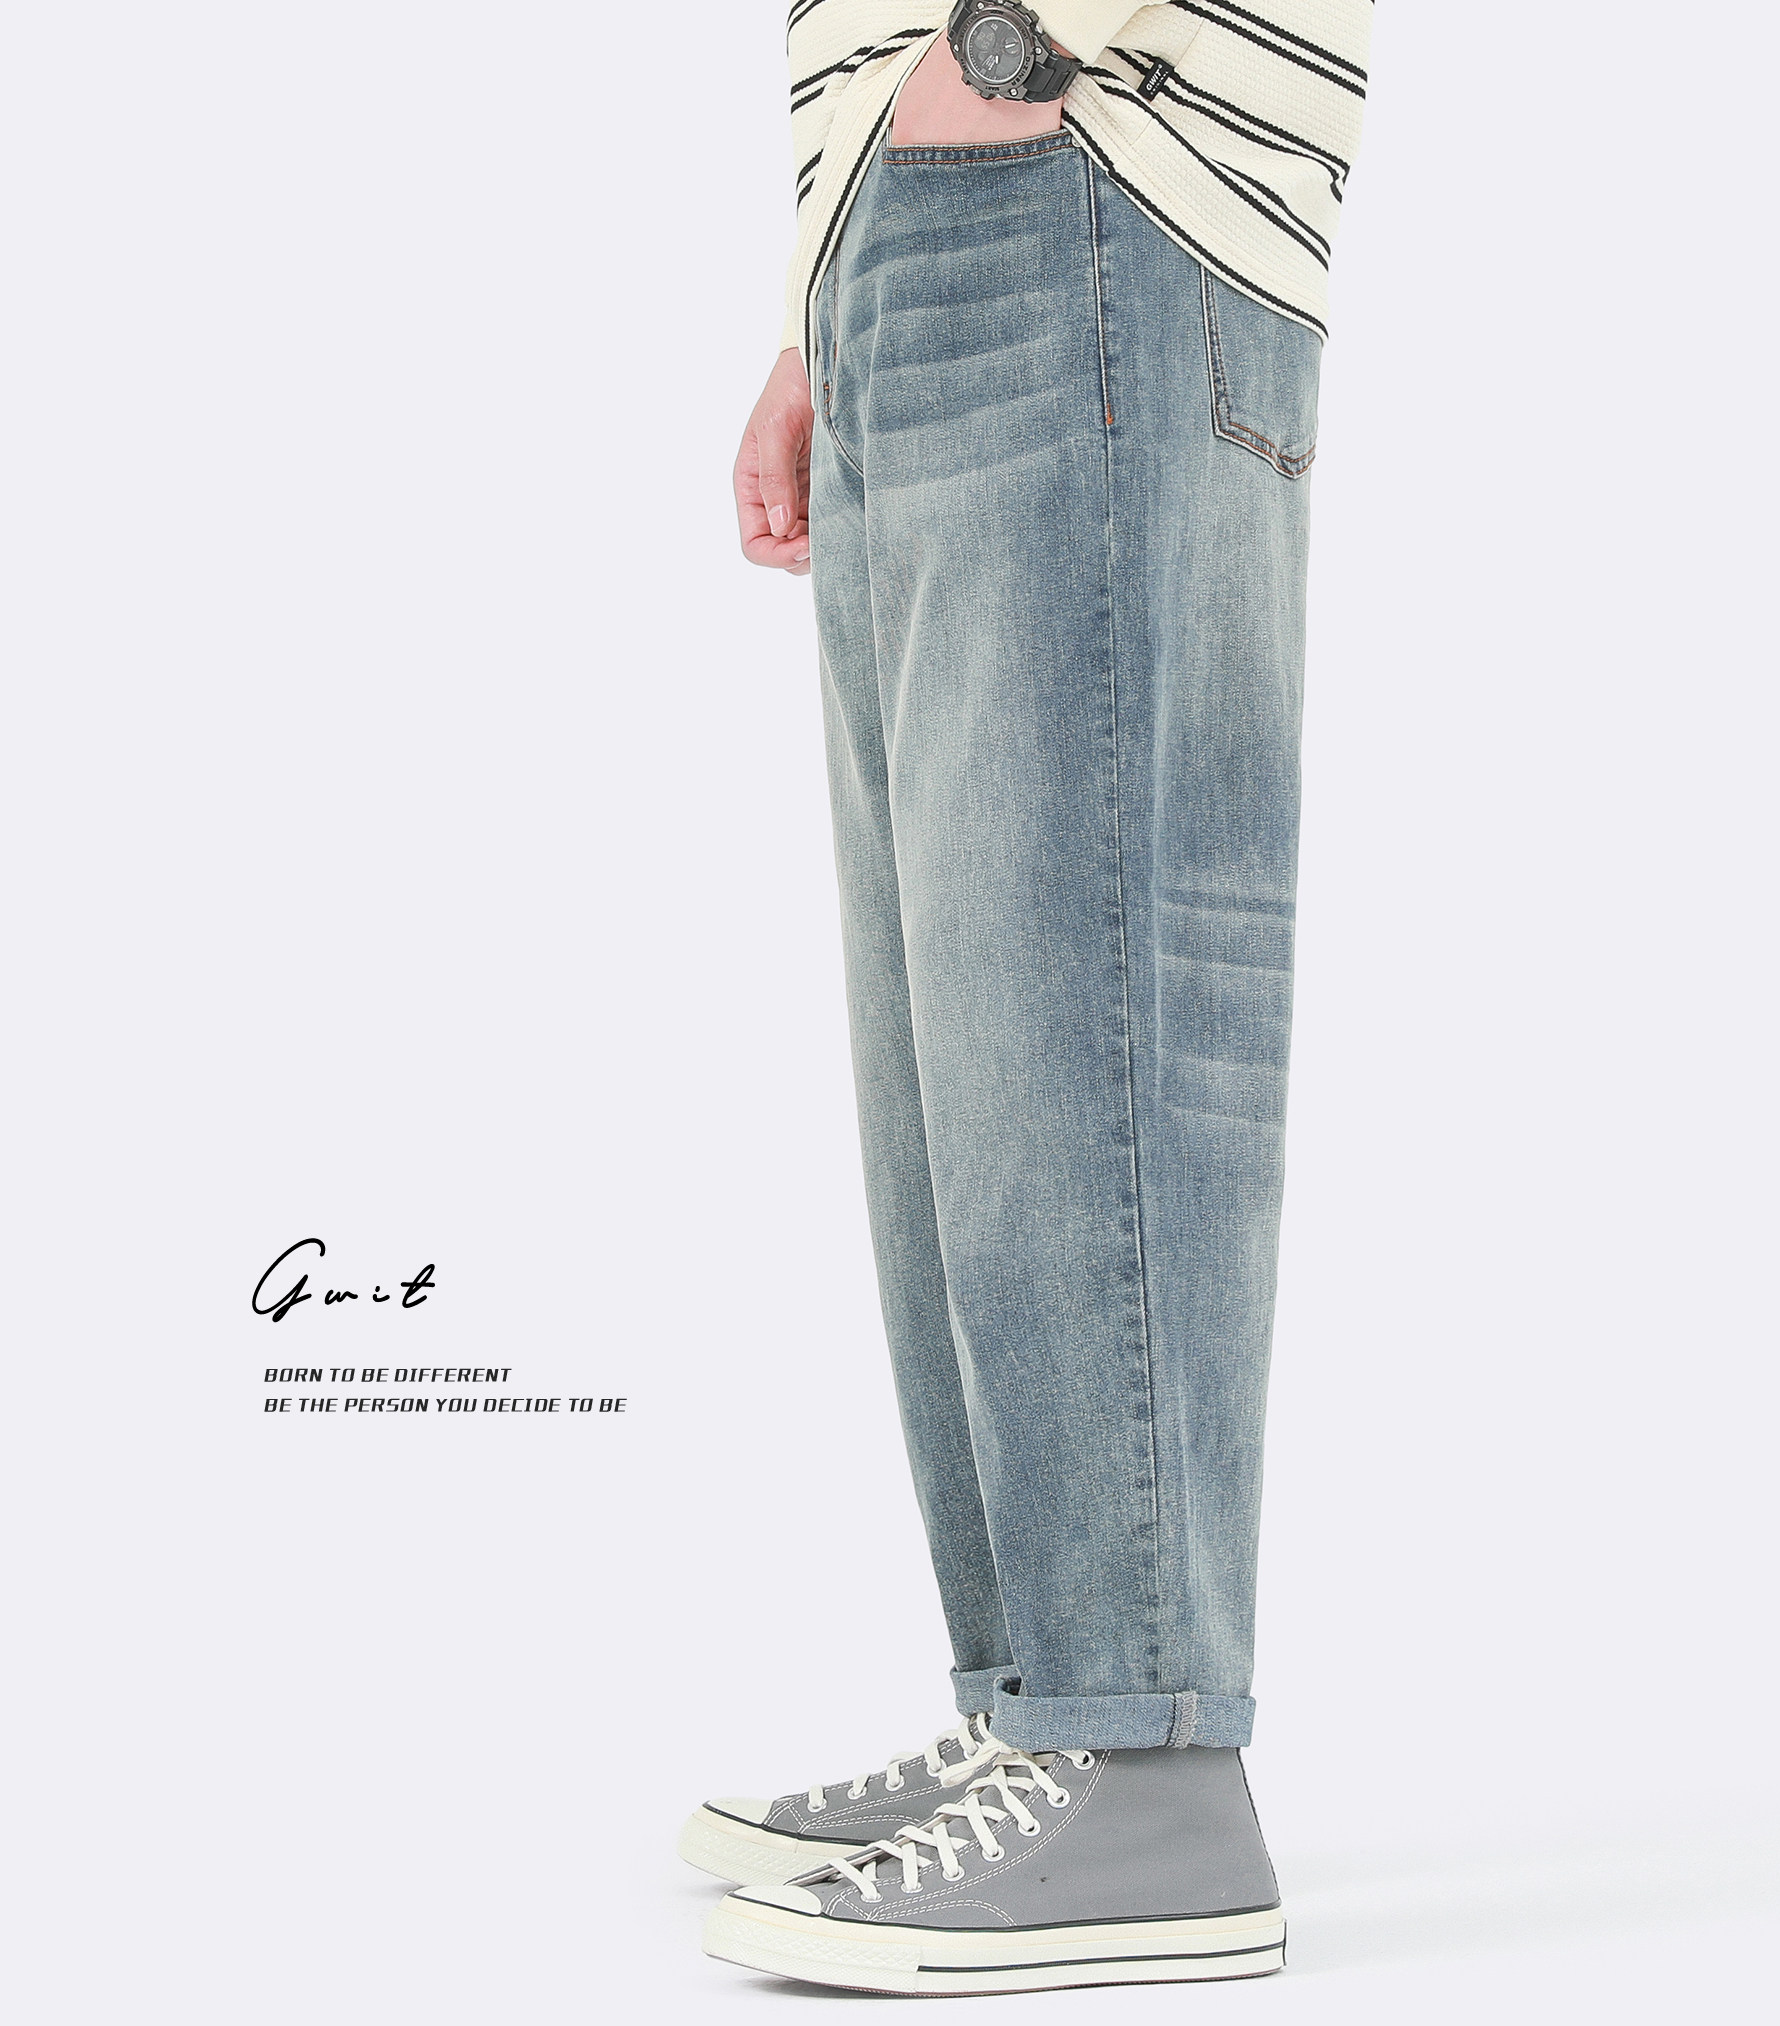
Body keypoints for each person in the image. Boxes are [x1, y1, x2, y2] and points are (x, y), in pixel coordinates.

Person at [687, 2, 1371, 1995]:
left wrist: (1007, 51)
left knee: (1083, 988)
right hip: (922, 201)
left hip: (1089, 159)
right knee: (961, 1023)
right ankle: (1039, 1719)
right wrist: (820, 290)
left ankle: (1140, 1762)